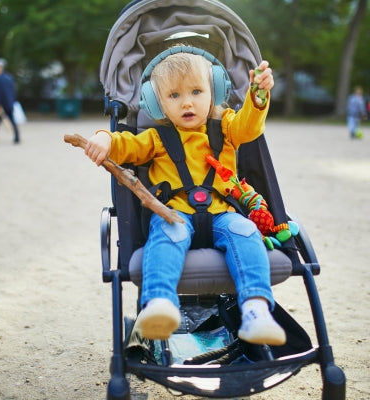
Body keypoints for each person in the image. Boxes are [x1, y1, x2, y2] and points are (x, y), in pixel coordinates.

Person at [85, 47, 286, 346]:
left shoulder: (229, 127)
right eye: (174, 96)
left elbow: (250, 125)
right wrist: (105, 137)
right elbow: (125, 145)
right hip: (174, 215)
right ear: (157, 103)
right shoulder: (155, 138)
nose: (187, 102)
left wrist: (257, 97)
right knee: (168, 233)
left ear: (214, 91)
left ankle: (256, 310)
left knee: (245, 230)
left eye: (196, 91)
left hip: (223, 214)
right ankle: (160, 304)